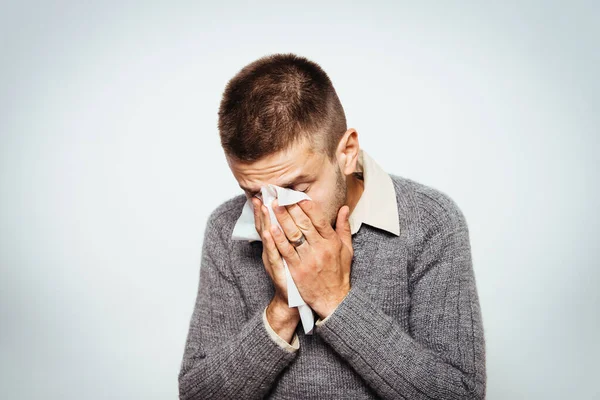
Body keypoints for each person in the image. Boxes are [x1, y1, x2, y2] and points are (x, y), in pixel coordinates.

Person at [178, 53, 486, 399]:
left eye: (296, 189)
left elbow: (459, 394)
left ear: (347, 152)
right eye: (253, 193)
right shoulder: (226, 229)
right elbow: (197, 395)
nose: (275, 211)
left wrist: (334, 298)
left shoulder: (431, 223)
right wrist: (283, 308)